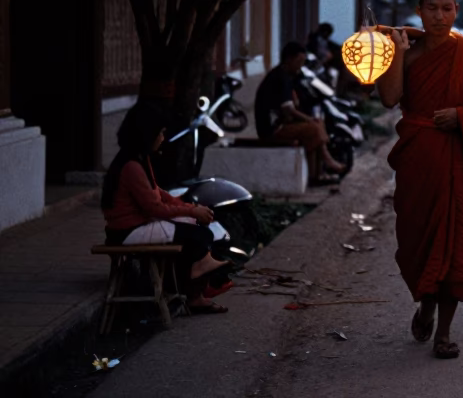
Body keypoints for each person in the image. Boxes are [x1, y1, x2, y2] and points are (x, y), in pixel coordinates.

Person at [377, 0, 463, 360]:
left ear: (456, 11)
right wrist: (396, 53)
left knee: (458, 243)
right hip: (419, 163)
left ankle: (444, 334)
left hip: (460, 162)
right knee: (418, 241)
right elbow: (389, 98)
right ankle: (427, 305)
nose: (439, 16)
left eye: (447, 8)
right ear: (419, 9)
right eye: (432, 8)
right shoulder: (408, 53)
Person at [102, 101, 232, 314]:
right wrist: (191, 211)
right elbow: (155, 208)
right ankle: (197, 284)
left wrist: (190, 208)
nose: (163, 138)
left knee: (196, 228)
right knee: (196, 235)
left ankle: (196, 290)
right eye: (160, 133)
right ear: (147, 133)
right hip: (127, 232)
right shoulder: (131, 166)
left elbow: (159, 193)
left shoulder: (139, 160)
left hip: (138, 225)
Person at [255, 42, 347, 184]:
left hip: (281, 124)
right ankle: (322, 166)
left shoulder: (288, 76)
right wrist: (309, 119)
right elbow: (288, 109)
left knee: (316, 124)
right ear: (289, 59)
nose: (300, 65)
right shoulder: (280, 77)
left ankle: (319, 172)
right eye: (299, 61)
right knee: (312, 127)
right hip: (272, 129)